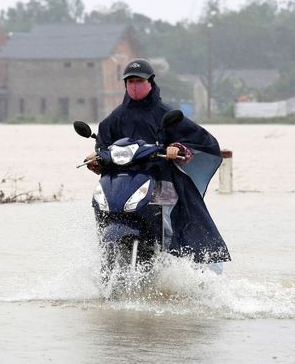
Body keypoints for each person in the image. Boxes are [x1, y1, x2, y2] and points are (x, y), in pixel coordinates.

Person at [84, 58, 230, 264]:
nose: (134, 85)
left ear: (151, 82)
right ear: (125, 85)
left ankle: (169, 260)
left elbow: (200, 142)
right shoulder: (115, 118)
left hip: (161, 179)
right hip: (122, 182)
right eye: (130, 81)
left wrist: (177, 148)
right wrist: (96, 157)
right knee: (102, 206)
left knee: (167, 225)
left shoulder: (167, 114)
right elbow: (104, 146)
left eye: (139, 81)